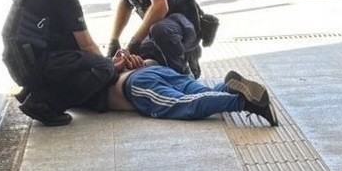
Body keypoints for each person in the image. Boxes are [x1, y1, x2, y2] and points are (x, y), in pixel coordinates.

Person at [1, 0, 116, 126]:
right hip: (31, 65)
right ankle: (43, 104)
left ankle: (35, 92)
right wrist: (110, 66)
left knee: (75, 49)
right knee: (103, 68)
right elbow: (87, 45)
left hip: (17, 61)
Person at [105, 50, 277, 124]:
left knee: (185, 103)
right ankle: (228, 88)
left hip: (137, 83)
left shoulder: (88, 77)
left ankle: (245, 103)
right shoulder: (95, 61)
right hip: (152, 69)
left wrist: (117, 64)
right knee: (202, 92)